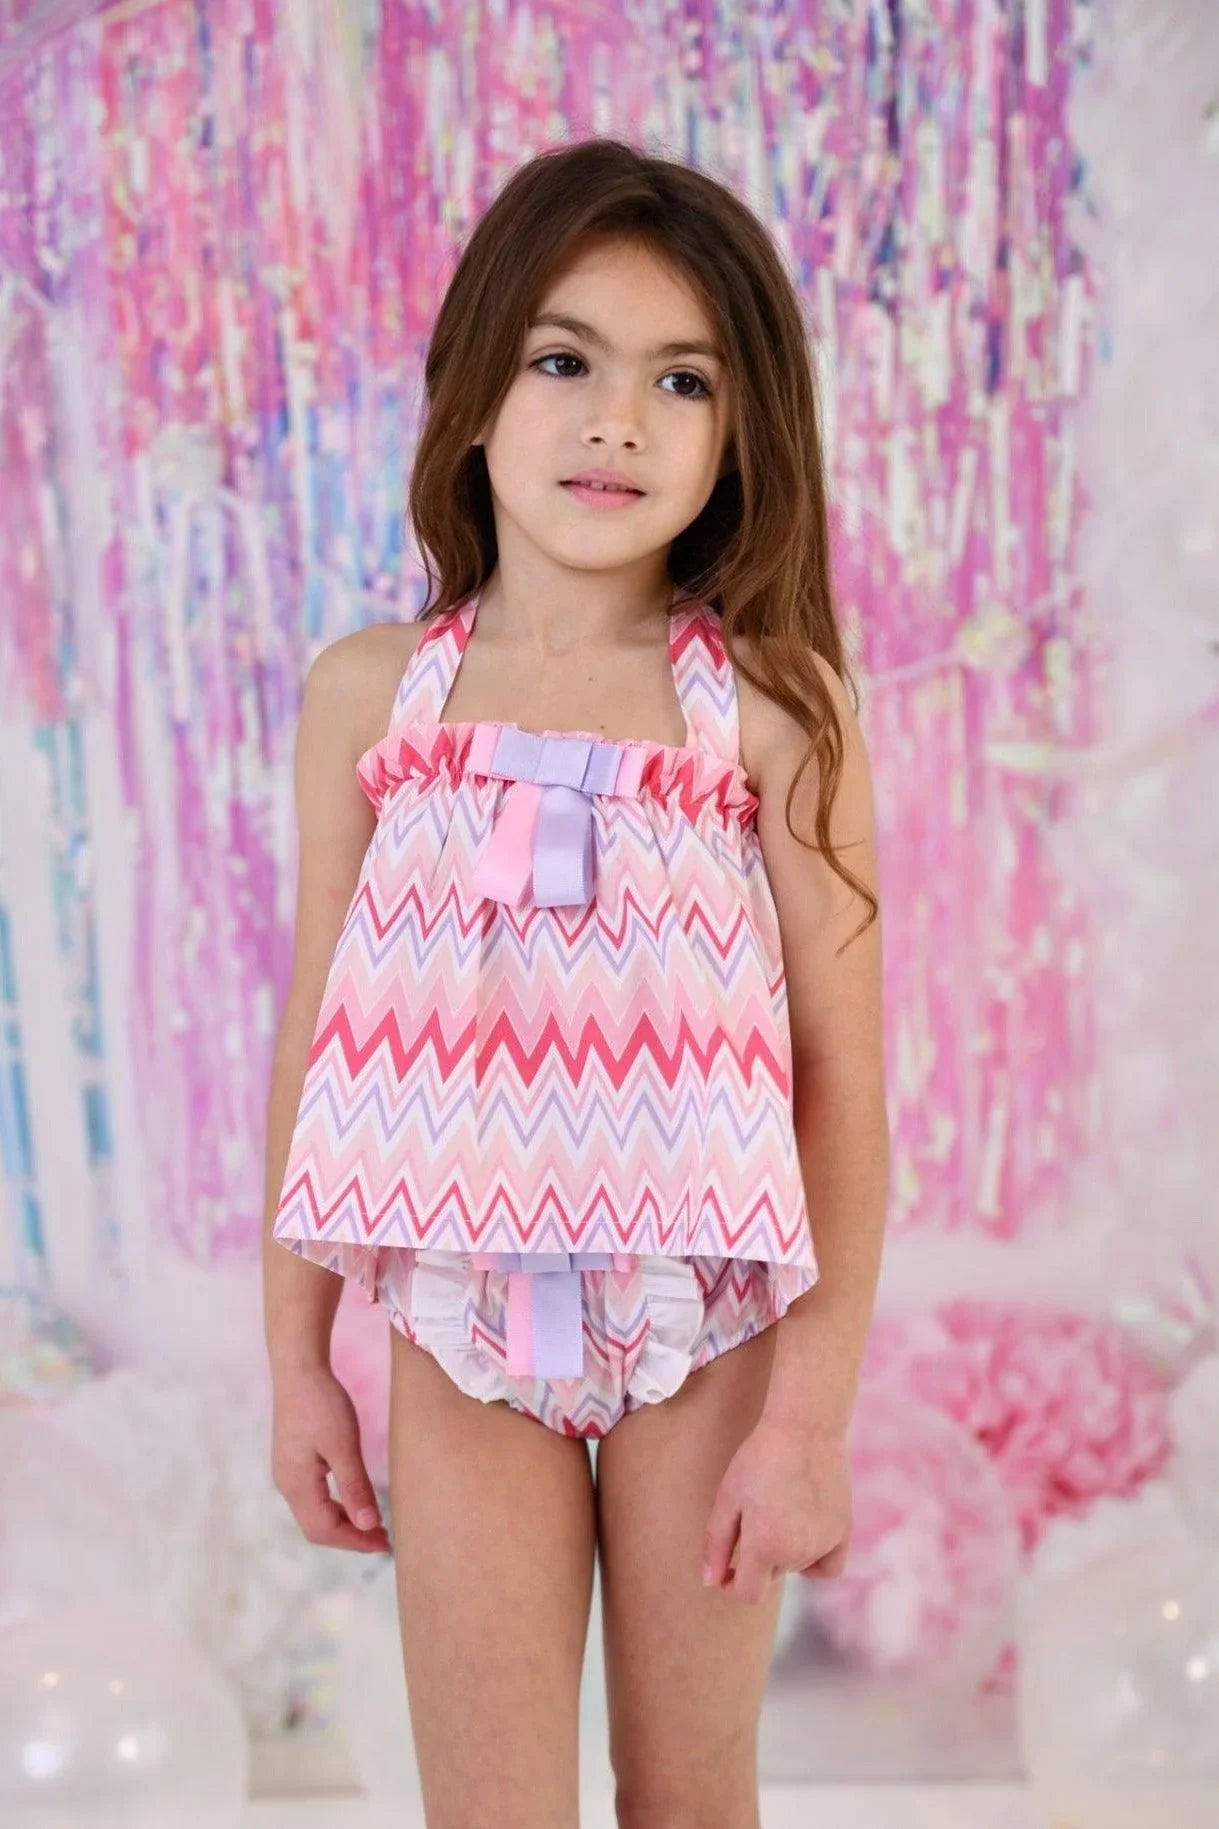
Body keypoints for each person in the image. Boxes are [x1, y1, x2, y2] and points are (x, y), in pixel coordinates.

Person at [261, 135, 890, 1829]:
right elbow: (319, 1035)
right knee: (491, 1806)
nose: (616, 419)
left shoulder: (773, 714)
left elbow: (842, 1087)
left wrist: (810, 1417)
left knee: (689, 1791)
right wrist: (299, 1356)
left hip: (710, 1327)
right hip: (460, 1320)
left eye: (679, 378)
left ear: (738, 429)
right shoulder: (370, 701)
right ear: (475, 390)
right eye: (564, 361)